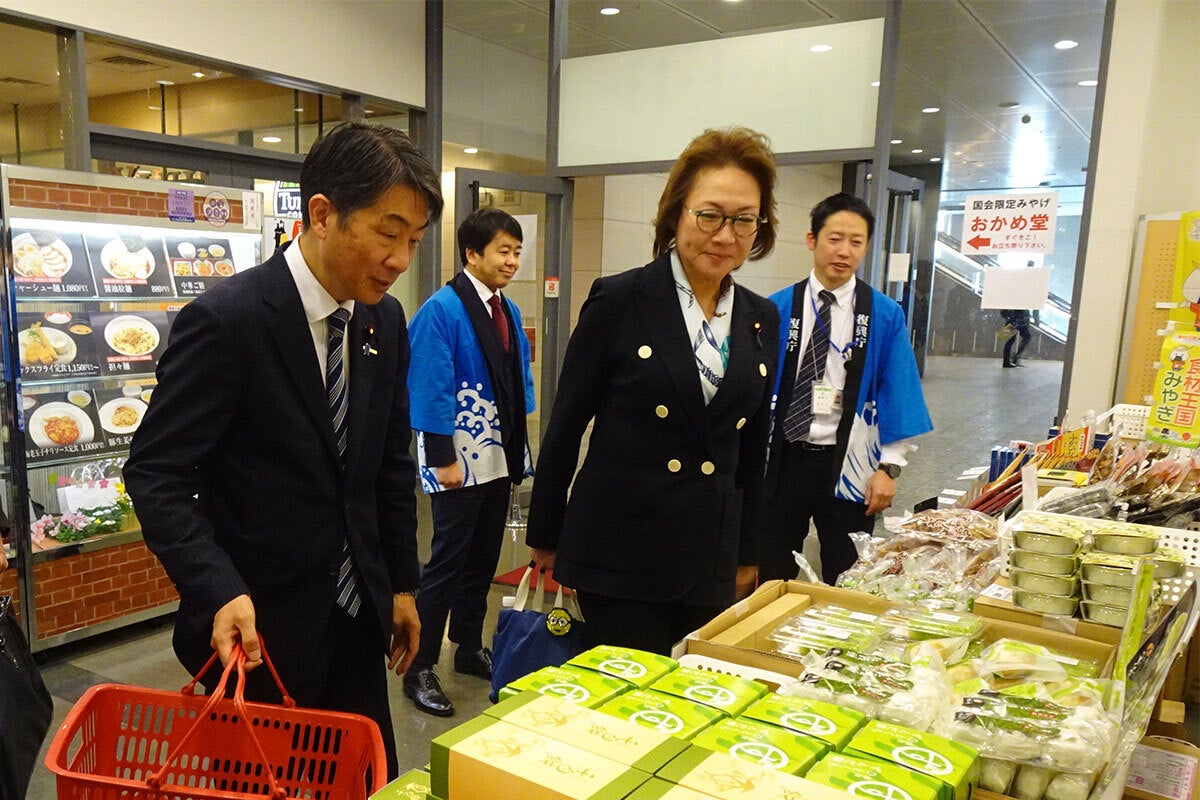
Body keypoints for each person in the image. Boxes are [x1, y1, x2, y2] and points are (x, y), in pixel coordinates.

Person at [124, 121, 443, 780]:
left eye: (413, 240)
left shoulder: (384, 320)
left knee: (359, 782)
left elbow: (387, 464)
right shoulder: (227, 321)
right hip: (254, 635)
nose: (401, 260)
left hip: (358, 625)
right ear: (322, 215)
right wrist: (216, 589)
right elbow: (155, 472)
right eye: (388, 234)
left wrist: (403, 583)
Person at [525, 127, 782, 656]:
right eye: (708, 214)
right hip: (622, 551)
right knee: (624, 709)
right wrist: (546, 536)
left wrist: (748, 551)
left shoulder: (761, 317)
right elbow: (567, 424)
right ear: (676, 214)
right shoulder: (621, 299)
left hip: (709, 553)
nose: (725, 234)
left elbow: (753, 447)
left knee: (689, 699)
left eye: (743, 219)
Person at [760, 192, 932, 585]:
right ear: (811, 240)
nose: (844, 251)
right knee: (772, 565)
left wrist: (889, 467)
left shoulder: (884, 314)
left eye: (856, 242)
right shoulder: (775, 308)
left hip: (850, 461)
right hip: (783, 458)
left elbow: (897, 389)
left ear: (866, 247)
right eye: (834, 239)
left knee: (849, 567)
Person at [403, 209, 535, 716]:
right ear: (471, 254)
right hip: (457, 454)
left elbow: (519, 380)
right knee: (446, 561)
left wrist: (521, 447)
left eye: (516, 252)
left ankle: (467, 646)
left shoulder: (506, 308)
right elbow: (429, 384)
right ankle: (420, 665)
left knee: (483, 556)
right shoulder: (442, 310)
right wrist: (442, 457)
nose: (512, 261)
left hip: (497, 452)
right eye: (503, 251)